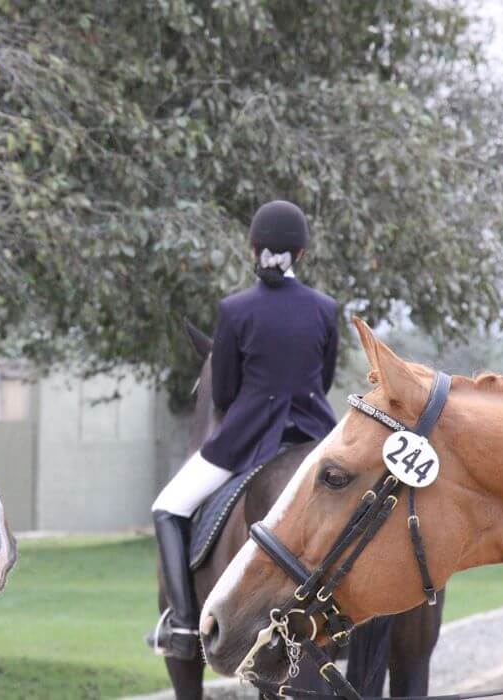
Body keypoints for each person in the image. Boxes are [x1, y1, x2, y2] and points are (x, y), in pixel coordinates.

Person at [150, 200, 340, 659]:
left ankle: (179, 626)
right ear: (303, 254)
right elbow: (325, 379)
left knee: (168, 507)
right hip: (316, 434)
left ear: (253, 248)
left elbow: (224, 392)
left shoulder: (235, 310)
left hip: (248, 438)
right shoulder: (325, 308)